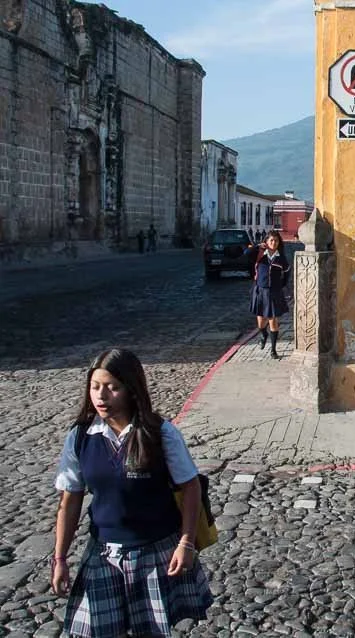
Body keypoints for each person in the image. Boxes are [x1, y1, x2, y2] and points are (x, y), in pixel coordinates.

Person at [52, 349, 213, 637]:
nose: (101, 396)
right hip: (103, 553)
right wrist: (60, 559)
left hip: (154, 553)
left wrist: (186, 542)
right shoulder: (79, 437)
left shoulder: (159, 434)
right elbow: (70, 500)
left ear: (131, 389)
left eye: (112, 387)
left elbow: (190, 486)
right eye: (95, 386)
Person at [250, 230, 291, 359]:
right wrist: (257, 247)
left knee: (273, 320)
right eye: (271, 240)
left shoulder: (281, 258)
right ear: (266, 242)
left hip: (274, 292)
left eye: (276, 241)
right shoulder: (260, 255)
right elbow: (246, 254)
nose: (274, 243)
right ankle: (263, 334)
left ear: (279, 243)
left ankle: (273, 350)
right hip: (260, 291)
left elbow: (286, 275)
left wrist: (280, 286)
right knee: (261, 321)